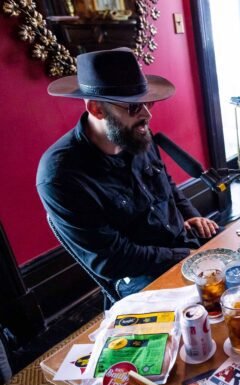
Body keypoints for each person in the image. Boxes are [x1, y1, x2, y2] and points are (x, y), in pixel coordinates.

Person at [36, 48, 219, 298]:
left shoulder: (137, 134)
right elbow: (111, 259)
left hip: (183, 246)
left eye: (147, 102)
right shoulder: (60, 176)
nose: (147, 114)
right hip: (139, 276)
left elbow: (166, 184)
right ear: (97, 109)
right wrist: (184, 257)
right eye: (133, 107)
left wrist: (189, 215)